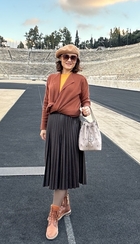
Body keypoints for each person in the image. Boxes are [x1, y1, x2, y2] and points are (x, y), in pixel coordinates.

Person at [40, 44, 91, 240]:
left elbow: (86, 100)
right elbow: (46, 103)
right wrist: (43, 126)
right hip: (53, 125)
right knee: (57, 166)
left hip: (71, 125)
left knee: (64, 166)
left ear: (77, 61)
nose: (69, 60)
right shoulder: (52, 78)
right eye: (66, 57)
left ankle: (54, 214)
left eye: (73, 58)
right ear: (60, 59)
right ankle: (64, 204)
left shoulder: (81, 80)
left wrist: (86, 108)